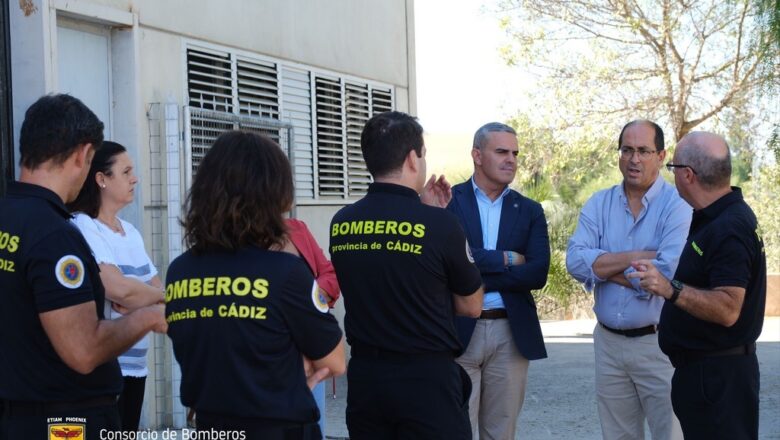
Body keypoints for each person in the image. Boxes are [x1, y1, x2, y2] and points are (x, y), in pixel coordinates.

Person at [0, 94, 167, 439]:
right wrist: (149, 316)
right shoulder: (55, 235)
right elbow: (83, 350)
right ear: (81, 154)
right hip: (64, 422)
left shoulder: (9, 216)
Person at [165, 130, 345, 440]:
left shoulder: (180, 271)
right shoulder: (288, 273)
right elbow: (335, 359)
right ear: (274, 193)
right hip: (278, 427)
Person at [329, 111, 485, 440]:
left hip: (367, 381)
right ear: (413, 158)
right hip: (426, 381)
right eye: (423, 154)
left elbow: (381, 276)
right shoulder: (440, 226)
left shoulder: (342, 222)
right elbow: (472, 306)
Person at [627, 131, 766, 439]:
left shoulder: (729, 227)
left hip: (717, 379)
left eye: (672, 167)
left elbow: (729, 308)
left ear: (687, 174)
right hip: (710, 376)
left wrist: (669, 288)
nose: (672, 175)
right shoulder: (718, 218)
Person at [566, 120, 688, 440]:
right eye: (627, 150)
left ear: (661, 156)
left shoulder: (678, 207)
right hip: (608, 344)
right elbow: (575, 262)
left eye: (644, 151)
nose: (634, 159)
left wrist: (603, 266)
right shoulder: (598, 203)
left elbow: (665, 273)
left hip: (659, 345)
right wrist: (640, 255)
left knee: (671, 433)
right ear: (619, 154)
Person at [446, 122, 550, 440]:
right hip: (459, 329)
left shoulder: (529, 210)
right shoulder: (449, 202)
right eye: (501, 151)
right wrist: (505, 259)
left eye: (515, 153)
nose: (511, 160)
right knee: (456, 428)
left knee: (501, 432)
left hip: (510, 333)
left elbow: (537, 273)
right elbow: (446, 266)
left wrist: (474, 270)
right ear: (477, 155)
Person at [67, 141, 165, 432]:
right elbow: (118, 290)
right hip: (106, 370)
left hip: (137, 369)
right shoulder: (83, 226)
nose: (134, 178)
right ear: (101, 180)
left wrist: (147, 296)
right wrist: (148, 296)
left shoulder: (130, 232)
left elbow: (154, 293)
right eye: (126, 172)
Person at [285, 217, 340, 438]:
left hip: (309, 359)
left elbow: (330, 275)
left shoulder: (296, 228)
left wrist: (310, 297)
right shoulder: (230, 238)